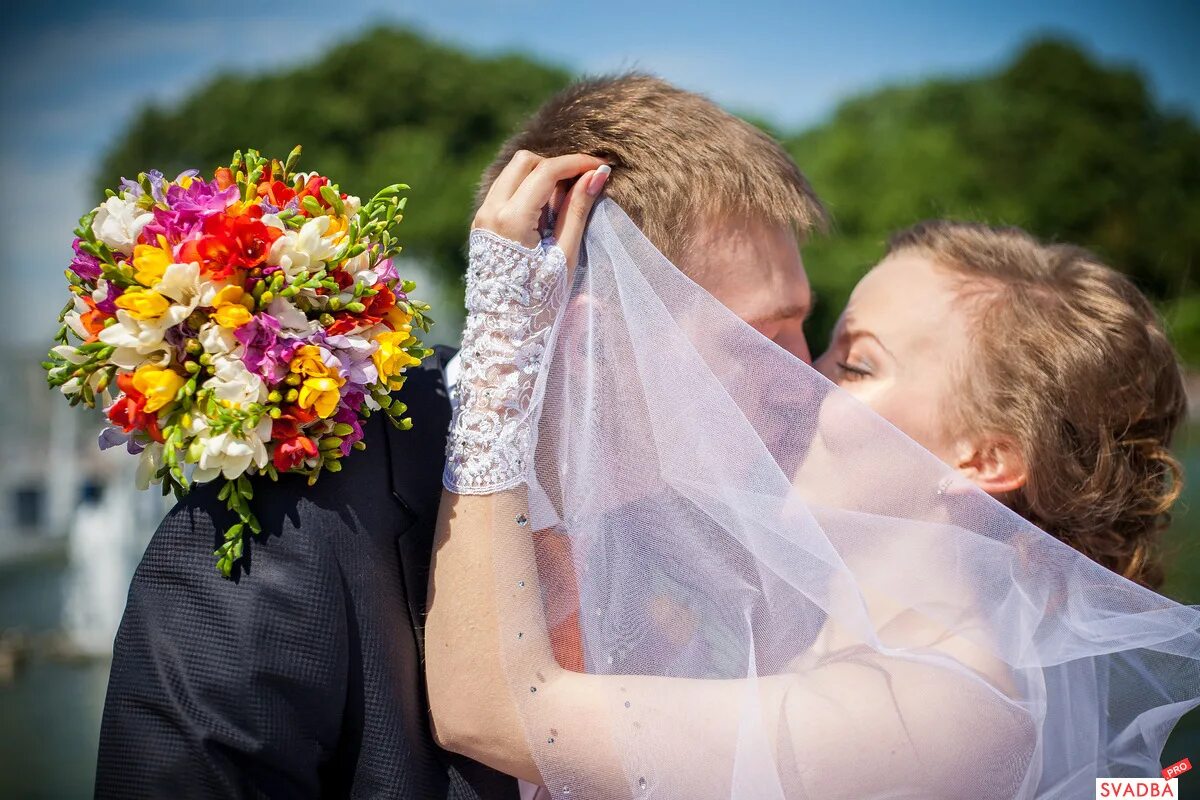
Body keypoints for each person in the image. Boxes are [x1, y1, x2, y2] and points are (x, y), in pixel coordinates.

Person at [94, 74, 827, 799]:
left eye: (805, 326)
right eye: (762, 338)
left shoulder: (719, 530)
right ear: (599, 340)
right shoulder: (305, 507)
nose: (807, 380)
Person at [425, 147, 1200, 798]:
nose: (796, 379)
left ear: (985, 458)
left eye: (857, 365)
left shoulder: (943, 708)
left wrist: (502, 356)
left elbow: (496, 712)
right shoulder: (805, 614)